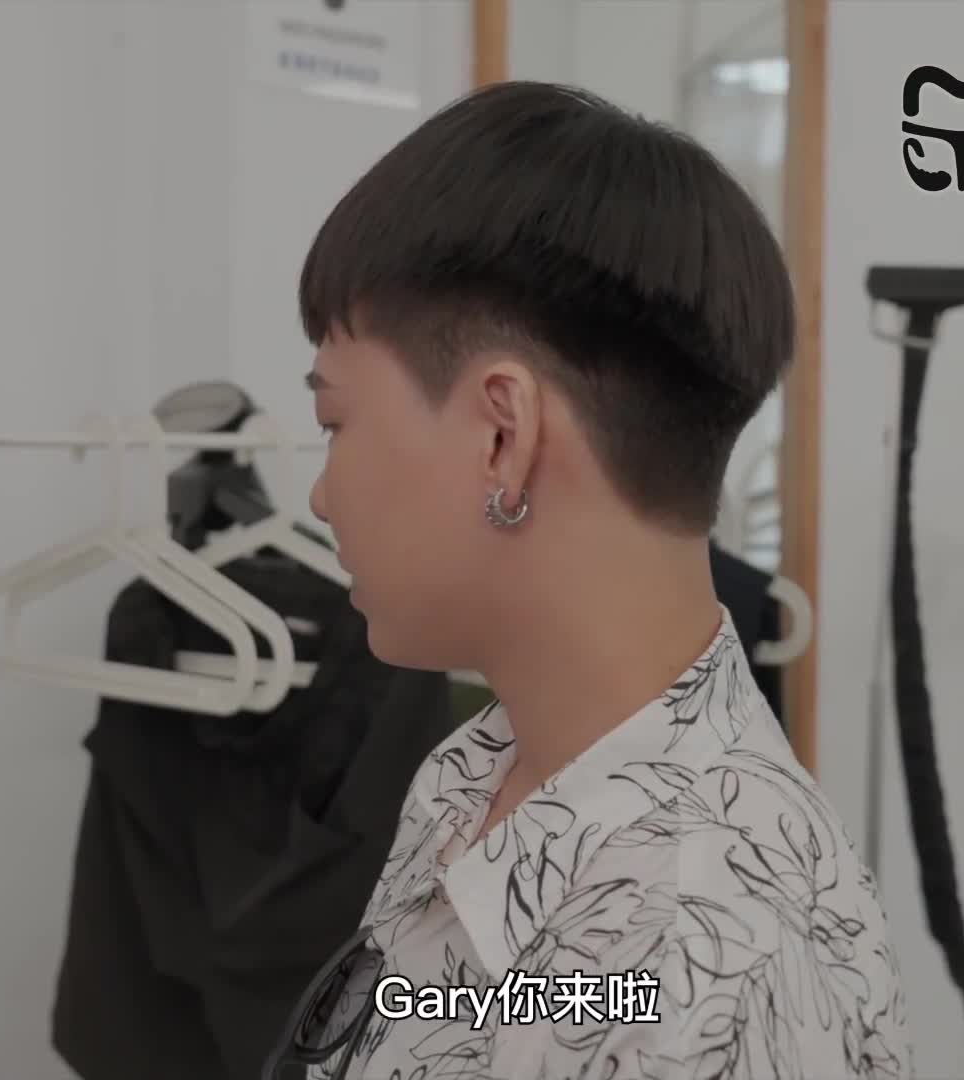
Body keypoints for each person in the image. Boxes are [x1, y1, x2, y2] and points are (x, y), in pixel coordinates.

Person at [265, 80, 909, 1080]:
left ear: (503, 436)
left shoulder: (710, 965)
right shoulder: (476, 778)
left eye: (335, 423)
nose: (321, 494)